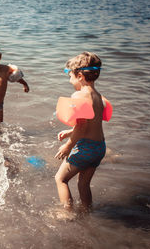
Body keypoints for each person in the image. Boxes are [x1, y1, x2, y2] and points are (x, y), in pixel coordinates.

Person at [54, 52, 106, 212]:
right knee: (83, 184)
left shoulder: (79, 95)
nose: (69, 79)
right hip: (99, 147)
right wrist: (70, 132)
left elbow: (82, 127)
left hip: (85, 148)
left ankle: (66, 213)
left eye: (69, 75)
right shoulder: (98, 96)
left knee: (60, 179)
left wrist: (68, 146)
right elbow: (91, 124)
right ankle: (87, 210)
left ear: (79, 76)